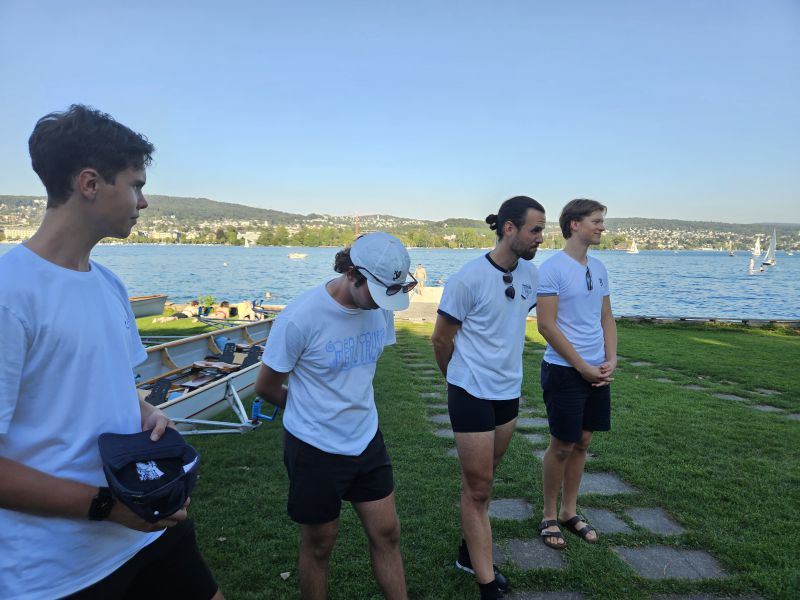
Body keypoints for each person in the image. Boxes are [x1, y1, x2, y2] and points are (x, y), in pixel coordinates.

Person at [0, 105, 222, 600]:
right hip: (56, 569)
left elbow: (103, 386)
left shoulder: (108, 283)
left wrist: (145, 413)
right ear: (90, 183)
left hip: (143, 527)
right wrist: (105, 506)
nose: (142, 202)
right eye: (136, 185)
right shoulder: (9, 296)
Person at [255, 232, 414, 600]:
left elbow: (358, 371)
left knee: (388, 533)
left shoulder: (381, 307)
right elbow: (266, 386)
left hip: (366, 439)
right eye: (374, 294)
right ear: (353, 274)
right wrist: (311, 409)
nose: (380, 305)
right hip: (314, 447)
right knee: (320, 545)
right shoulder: (300, 318)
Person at [431, 196, 546, 600]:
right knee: (479, 488)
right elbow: (441, 339)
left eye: (543, 230)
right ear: (509, 228)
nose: (540, 238)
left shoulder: (531, 274)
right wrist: (456, 381)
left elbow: (528, 314)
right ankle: (485, 583)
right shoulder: (467, 279)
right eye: (535, 229)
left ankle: (467, 550)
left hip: (507, 393)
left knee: (484, 478)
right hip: (471, 391)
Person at [535, 198, 617, 550]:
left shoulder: (599, 267)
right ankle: (549, 514)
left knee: (583, 442)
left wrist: (611, 357)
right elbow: (546, 326)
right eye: (596, 221)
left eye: (602, 222)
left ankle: (570, 511)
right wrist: (581, 366)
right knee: (562, 444)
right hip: (564, 370)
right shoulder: (551, 269)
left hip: (597, 370)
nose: (602, 227)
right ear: (574, 225)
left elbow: (606, 318)